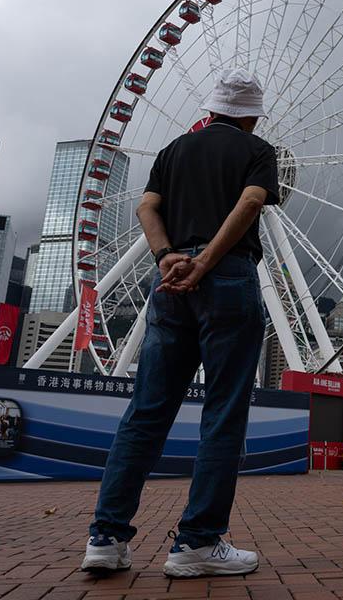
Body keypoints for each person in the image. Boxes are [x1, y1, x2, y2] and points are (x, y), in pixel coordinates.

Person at [83, 68, 279, 579]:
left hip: (169, 286)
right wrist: (209, 260)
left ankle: (105, 537)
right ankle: (197, 542)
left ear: (211, 108)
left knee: (145, 412)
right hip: (228, 279)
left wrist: (167, 256)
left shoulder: (173, 151)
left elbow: (147, 206)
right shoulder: (256, 151)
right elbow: (253, 200)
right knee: (222, 412)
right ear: (252, 116)